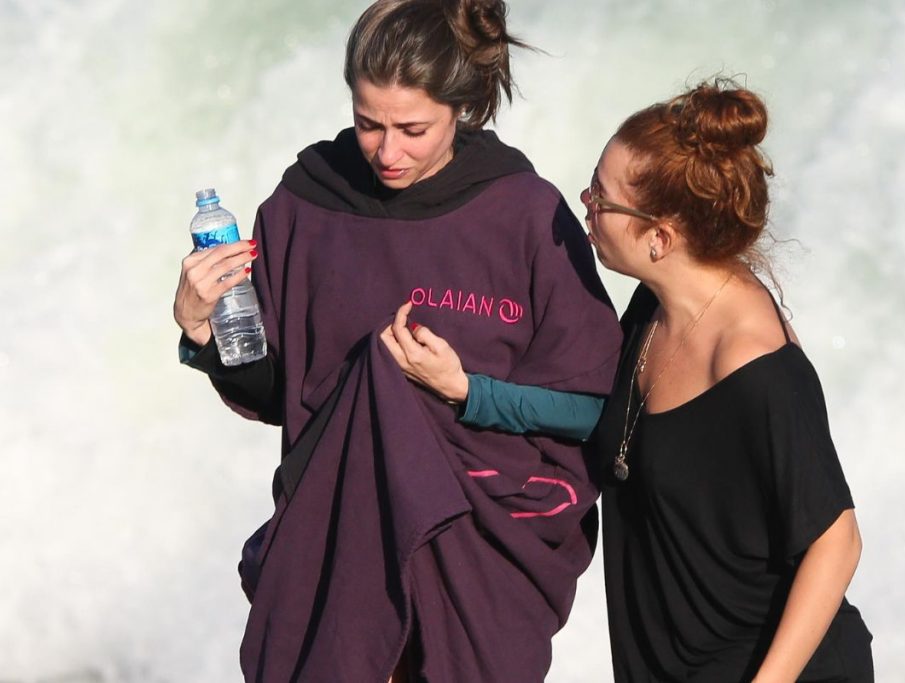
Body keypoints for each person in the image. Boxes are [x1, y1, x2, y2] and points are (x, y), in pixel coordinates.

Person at [172, 1, 621, 681]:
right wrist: (203, 331)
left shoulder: (527, 215)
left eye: (413, 129)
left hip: (483, 552)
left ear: (462, 106)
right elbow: (277, 394)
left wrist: (468, 393)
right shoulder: (303, 207)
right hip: (338, 544)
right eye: (368, 124)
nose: (387, 151)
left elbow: (593, 406)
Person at [389, 79, 874, 682]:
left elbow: (837, 542)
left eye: (603, 200)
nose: (585, 204)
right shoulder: (655, 310)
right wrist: (467, 391)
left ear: (660, 237)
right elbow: (610, 420)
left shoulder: (756, 366)